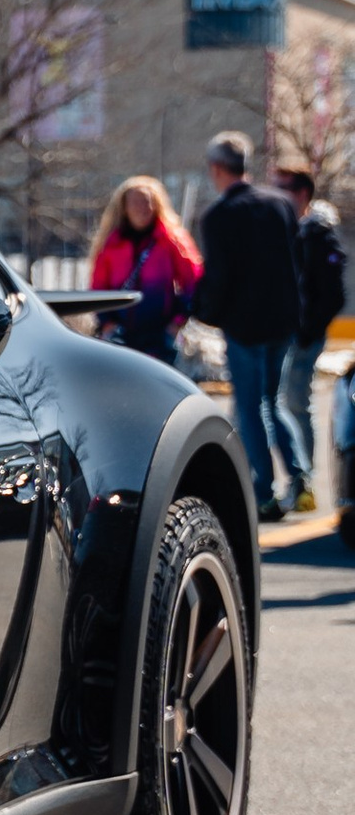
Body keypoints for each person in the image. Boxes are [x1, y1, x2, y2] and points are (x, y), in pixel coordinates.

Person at [192, 130, 307, 521]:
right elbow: (297, 261)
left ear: (216, 168)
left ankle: (264, 490)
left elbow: (219, 277)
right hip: (283, 321)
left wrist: (204, 310)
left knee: (251, 406)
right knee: (273, 402)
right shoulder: (281, 204)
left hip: (244, 325)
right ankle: (299, 477)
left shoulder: (219, 216)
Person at [277, 166, 347, 517]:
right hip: (283, 333)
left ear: (301, 193)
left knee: (292, 402)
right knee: (282, 404)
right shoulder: (288, 229)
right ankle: (299, 478)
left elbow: (333, 293)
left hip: (304, 337)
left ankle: (307, 477)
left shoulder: (318, 233)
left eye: (284, 188)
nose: (277, 193)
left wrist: (308, 330)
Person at [83, 176, 201, 369]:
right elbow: (97, 289)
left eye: (147, 201)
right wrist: (107, 324)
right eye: (135, 202)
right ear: (124, 208)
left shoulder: (171, 241)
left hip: (160, 335)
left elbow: (193, 282)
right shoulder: (111, 244)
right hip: (121, 336)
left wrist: (177, 322)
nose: (142, 208)